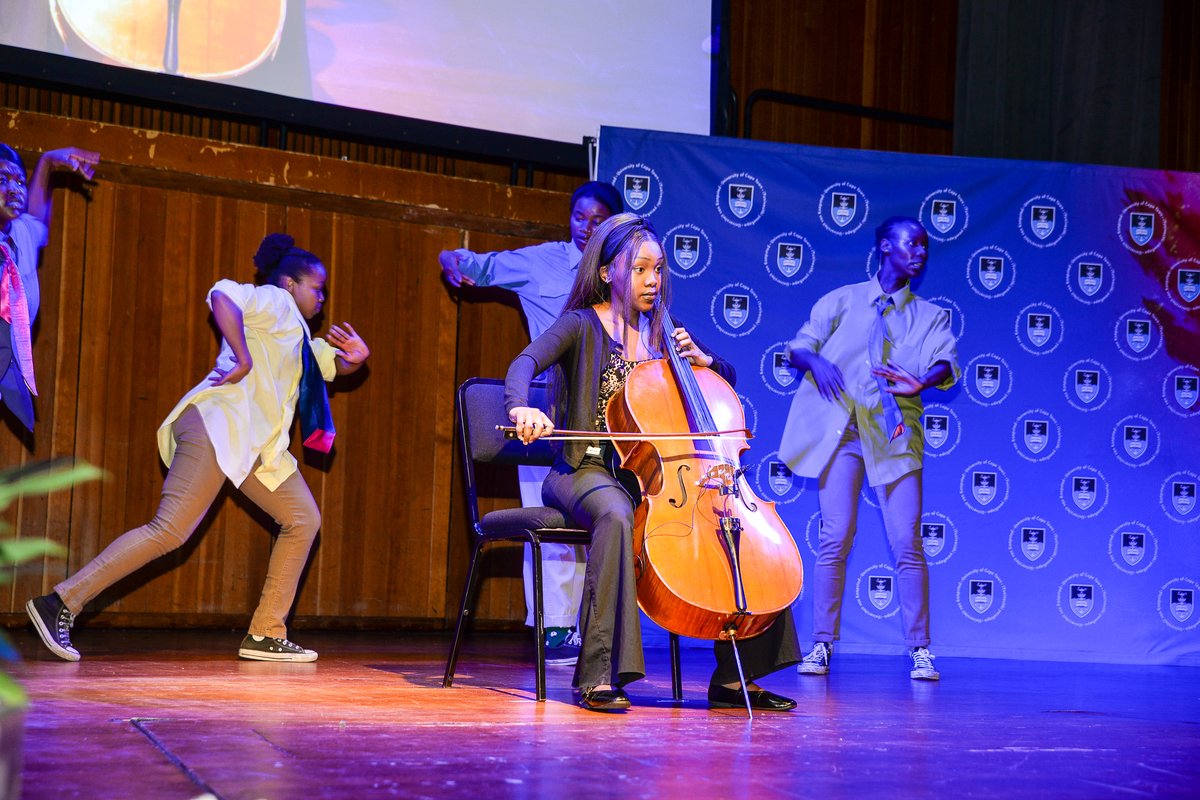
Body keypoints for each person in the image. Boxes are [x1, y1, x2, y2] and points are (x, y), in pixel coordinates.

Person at [26, 233, 371, 662]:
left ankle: (266, 632)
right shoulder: (275, 302)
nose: (322, 298)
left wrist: (356, 358)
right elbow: (222, 295)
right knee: (169, 531)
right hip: (218, 426)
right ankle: (60, 602)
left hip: (252, 448)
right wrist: (242, 357)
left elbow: (331, 365)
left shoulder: (296, 336)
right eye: (317, 288)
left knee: (303, 519)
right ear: (289, 283)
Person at [506, 213, 800, 711]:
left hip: (654, 476)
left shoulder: (666, 331)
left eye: (658, 269)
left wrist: (708, 361)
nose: (652, 280)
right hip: (585, 469)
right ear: (607, 273)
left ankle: (736, 679)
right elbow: (524, 363)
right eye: (639, 269)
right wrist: (521, 407)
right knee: (615, 514)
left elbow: (723, 379)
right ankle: (599, 673)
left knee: (735, 525)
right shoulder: (581, 324)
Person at [439, 181, 622, 666]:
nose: (586, 227)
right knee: (550, 517)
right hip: (547, 408)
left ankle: (595, 630)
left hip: (608, 416)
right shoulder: (542, 261)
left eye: (597, 220)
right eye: (579, 217)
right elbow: (472, 263)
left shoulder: (623, 275)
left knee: (603, 519)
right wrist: (452, 261)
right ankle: (553, 628)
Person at [779, 216, 959, 680]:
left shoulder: (931, 315)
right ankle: (821, 644)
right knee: (834, 537)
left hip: (894, 437)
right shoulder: (842, 300)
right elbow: (798, 347)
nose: (920, 252)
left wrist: (922, 381)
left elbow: (945, 361)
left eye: (925, 246)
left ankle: (920, 648)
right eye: (911, 243)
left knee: (906, 543)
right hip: (842, 435)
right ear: (885, 247)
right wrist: (815, 361)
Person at [0, 143, 100, 431]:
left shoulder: (21, 235)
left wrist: (47, 163)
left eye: (20, 182)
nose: (15, 189)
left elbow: (35, 215)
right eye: (3, 180)